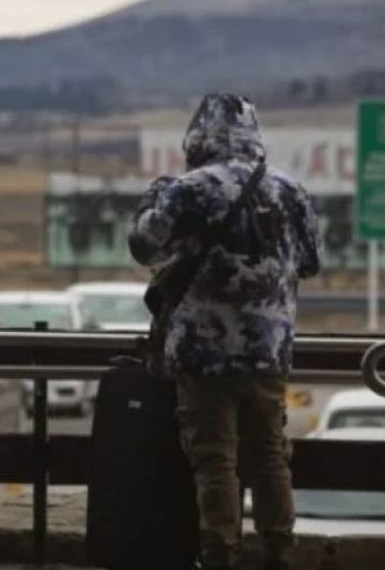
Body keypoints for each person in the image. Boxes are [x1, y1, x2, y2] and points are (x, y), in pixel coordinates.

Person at [129, 93, 321, 570]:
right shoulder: (291, 191)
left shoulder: (189, 189)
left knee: (215, 459)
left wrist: (153, 200)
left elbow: (144, 247)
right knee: (270, 455)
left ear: (197, 137)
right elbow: (310, 264)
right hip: (269, 352)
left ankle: (220, 554)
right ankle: (280, 551)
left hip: (202, 352)